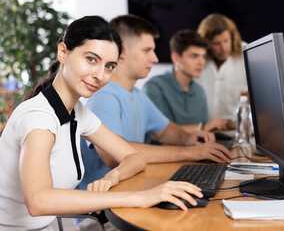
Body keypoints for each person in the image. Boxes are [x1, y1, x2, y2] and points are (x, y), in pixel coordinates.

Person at [0, 16, 203, 231]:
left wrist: (112, 177)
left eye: (109, 66)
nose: (100, 75)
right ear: (63, 53)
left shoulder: (78, 113)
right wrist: (139, 197)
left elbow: (134, 157)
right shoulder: (39, 118)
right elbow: (38, 201)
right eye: (91, 59)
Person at [78, 15, 232, 196]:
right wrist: (190, 152)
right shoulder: (103, 96)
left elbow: (165, 130)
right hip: (106, 212)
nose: (155, 58)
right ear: (123, 51)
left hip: (132, 195)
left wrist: (187, 139)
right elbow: (114, 156)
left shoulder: (137, 95)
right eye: (147, 50)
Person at [143, 30, 232, 133]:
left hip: (196, 148)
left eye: (203, 56)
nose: (201, 62)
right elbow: (160, 133)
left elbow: (206, 131)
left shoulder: (199, 92)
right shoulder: (154, 88)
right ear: (176, 58)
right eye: (194, 56)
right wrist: (203, 127)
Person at [195, 13, 247, 124]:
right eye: (216, 43)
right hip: (203, 131)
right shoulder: (197, 59)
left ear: (232, 38)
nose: (223, 48)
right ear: (206, 43)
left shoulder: (246, 55)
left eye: (226, 41)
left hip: (235, 131)